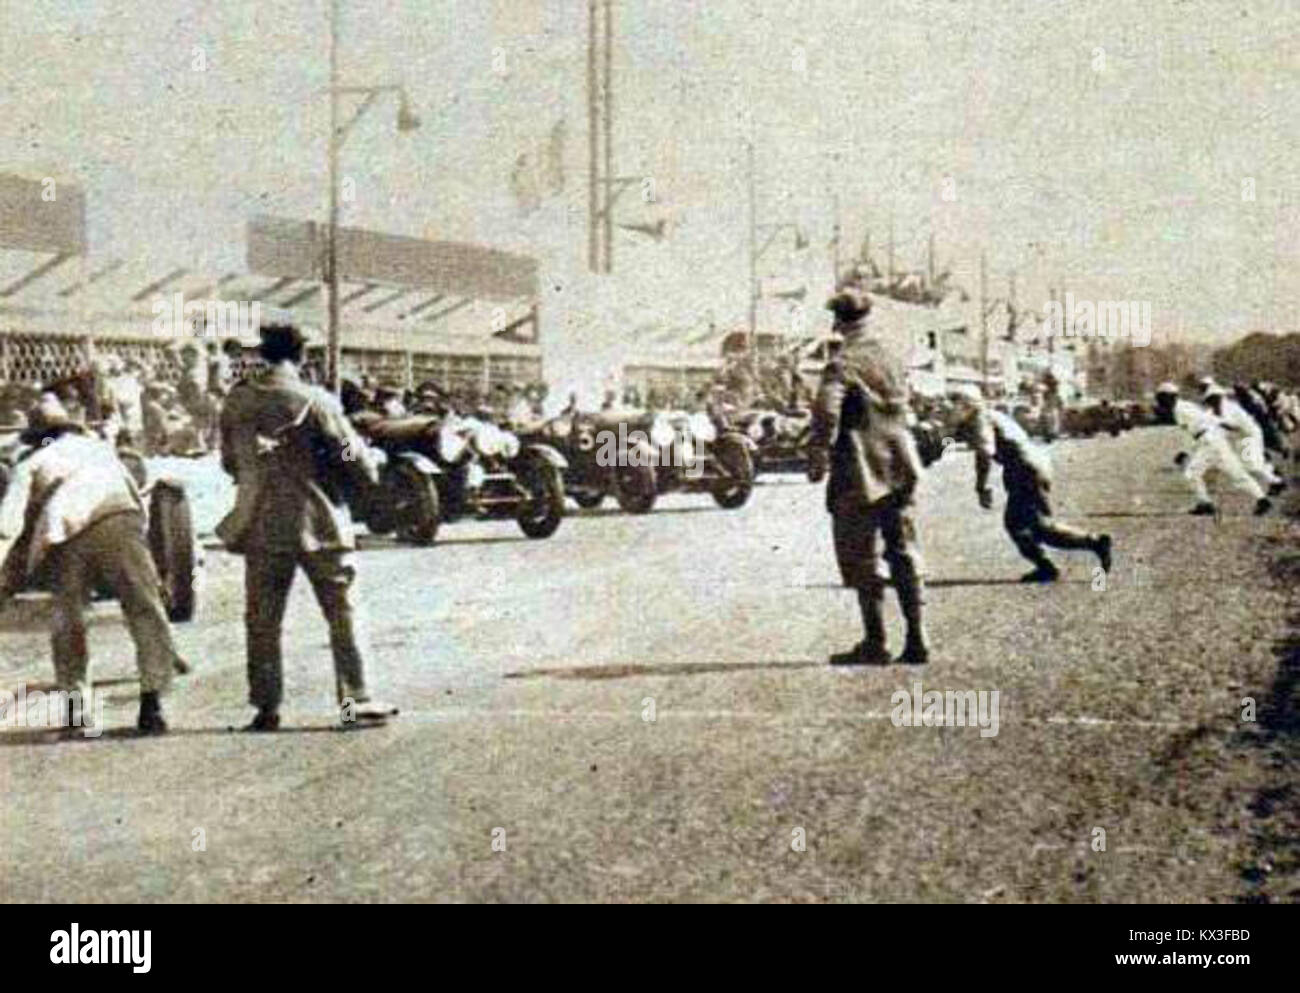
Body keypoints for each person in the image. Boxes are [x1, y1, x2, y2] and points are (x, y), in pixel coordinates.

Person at [218, 323, 395, 731]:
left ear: (264, 353)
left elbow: (228, 460)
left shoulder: (237, 402)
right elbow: (352, 453)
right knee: (343, 610)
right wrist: (367, 470)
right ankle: (356, 701)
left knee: (262, 618)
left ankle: (266, 707)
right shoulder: (317, 401)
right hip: (320, 520)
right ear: (301, 357)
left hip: (260, 521)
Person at [0, 395, 187, 734]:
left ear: (39, 436)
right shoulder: (98, 448)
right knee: (145, 611)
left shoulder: (31, 462)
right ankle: (152, 702)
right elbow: (135, 492)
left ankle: (77, 713)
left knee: (68, 623)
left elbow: (7, 526)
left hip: (66, 534)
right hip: (120, 521)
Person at [808, 287, 929, 666]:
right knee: (904, 549)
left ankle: (875, 641)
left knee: (861, 554)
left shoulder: (843, 362)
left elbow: (827, 411)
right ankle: (918, 637)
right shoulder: (891, 355)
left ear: (838, 321)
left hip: (860, 469)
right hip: (901, 464)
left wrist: (817, 453)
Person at [947, 384, 1112, 583]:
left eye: (955, 404)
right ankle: (1049, 565)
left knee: (1038, 527)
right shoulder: (987, 415)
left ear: (967, 405)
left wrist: (981, 487)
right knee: (1023, 525)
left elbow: (985, 453)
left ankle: (1092, 543)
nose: (951, 409)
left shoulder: (980, 419)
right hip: (1027, 466)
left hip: (1025, 469)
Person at [1155, 382, 1270, 516]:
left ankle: (1205, 503)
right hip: (1215, 441)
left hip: (1209, 442)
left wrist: (1185, 452)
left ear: (1170, 397)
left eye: (1162, 398)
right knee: (1236, 473)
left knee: (1192, 474)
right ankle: (1262, 499)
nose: (1161, 402)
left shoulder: (1181, 409)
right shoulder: (1183, 407)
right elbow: (1204, 424)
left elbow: (1197, 429)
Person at [1203, 384, 1284, 495]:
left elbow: (1235, 427)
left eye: (1215, 398)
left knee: (1252, 466)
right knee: (1248, 464)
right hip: (1240, 437)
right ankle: (1272, 472)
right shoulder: (1212, 412)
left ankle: (1277, 481)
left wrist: (1220, 424)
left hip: (1250, 435)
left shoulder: (1230, 408)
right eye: (1210, 399)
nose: (1213, 402)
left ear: (1220, 397)